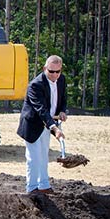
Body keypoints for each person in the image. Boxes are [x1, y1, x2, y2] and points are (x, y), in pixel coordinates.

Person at [17, 55, 67, 195]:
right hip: (33, 124)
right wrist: (55, 128)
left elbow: (63, 98)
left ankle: (43, 184)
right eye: (51, 71)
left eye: (58, 71)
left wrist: (62, 110)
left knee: (44, 154)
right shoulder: (35, 85)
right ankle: (32, 188)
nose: (55, 75)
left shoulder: (61, 80)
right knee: (33, 157)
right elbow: (41, 110)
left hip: (48, 123)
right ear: (45, 68)